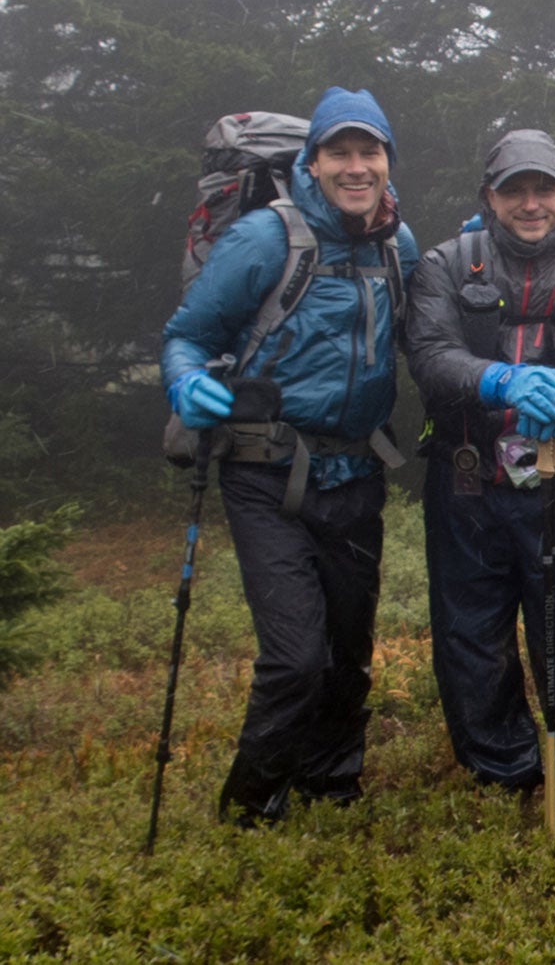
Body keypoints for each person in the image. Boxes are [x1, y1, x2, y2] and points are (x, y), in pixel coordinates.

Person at [160, 86, 418, 824]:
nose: (356, 166)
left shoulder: (396, 243)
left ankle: (331, 788)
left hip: (358, 471)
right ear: (314, 160)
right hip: (264, 471)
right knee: (296, 655)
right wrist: (185, 382)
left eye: (370, 151)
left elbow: (434, 333)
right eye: (340, 151)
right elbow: (188, 334)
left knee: (348, 649)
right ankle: (250, 806)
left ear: (387, 161)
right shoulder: (266, 239)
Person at [407, 130, 555, 795]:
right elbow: (429, 353)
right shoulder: (445, 265)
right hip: (466, 478)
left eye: (544, 188)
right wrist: (500, 382)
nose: (530, 203)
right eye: (514, 189)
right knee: (472, 634)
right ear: (490, 195)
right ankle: (502, 769)